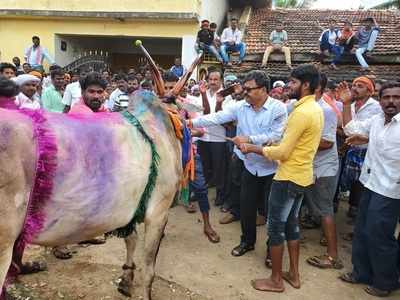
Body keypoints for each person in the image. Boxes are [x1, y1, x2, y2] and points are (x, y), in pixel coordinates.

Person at [239, 64, 323, 293]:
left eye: (293, 82)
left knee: (275, 228)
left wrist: (253, 148)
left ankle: (276, 280)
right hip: (302, 175)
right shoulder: (313, 108)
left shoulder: (302, 112)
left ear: (306, 85)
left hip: (287, 177)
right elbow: (291, 145)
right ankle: (293, 274)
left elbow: (283, 153)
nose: (289, 86)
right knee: (291, 225)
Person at [190, 70, 288, 257]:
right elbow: (217, 118)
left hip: (271, 168)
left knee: (271, 212)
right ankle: (247, 242)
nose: (245, 93)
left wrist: (249, 139)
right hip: (248, 165)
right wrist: (191, 122)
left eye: (249, 89)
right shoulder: (241, 106)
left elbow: (276, 137)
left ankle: (271, 251)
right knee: (246, 206)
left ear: (263, 90)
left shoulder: (278, 108)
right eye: (244, 89)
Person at [338, 81, 400, 298]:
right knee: (362, 230)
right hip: (370, 183)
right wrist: (346, 104)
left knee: (380, 235)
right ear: (380, 100)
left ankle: (385, 281)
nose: (391, 101)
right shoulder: (375, 121)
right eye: (387, 97)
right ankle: (361, 272)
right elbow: (350, 129)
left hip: (391, 190)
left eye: (396, 97)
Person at [164, 71, 220, 243]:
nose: (168, 91)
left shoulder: (187, 105)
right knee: (163, 194)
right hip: (164, 157)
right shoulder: (155, 105)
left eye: (171, 87)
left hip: (188, 154)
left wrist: (182, 130)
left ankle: (207, 225)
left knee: (201, 189)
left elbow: (201, 131)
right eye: (164, 87)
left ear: (179, 87)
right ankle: (160, 227)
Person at [304, 74, 343, 270]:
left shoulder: (326, 111)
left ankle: (333, 255)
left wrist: (298, 144)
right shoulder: (305, 107)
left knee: (325, 209)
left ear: (314, 87)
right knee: (315, 207)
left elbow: (327, 143)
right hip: (310, 165)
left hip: (324, 168)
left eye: (298, 82)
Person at [341, 76, 381, 221]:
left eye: (360, 86)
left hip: (367, 151)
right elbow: (347, 129)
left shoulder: (376, 107)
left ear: (369, 92)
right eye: (354, 85)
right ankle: (354, 208)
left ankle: (359, 213)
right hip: (351, 149)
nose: (354, 88)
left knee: (363, 184)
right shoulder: (351, 105)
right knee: (351, 181)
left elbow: (354, 130)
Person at [196, 70, 227, 207]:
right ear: (207, 80)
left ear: (221, 81)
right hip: (203, 137)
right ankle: (200, 193)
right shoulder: (202, 94)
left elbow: (222, 118)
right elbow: (202, 113)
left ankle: (220, 195)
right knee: (203, 168)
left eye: (216, 79)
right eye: (211, 79)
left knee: (219, 169)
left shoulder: (227, 95)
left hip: (219, 139)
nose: (213, 82)